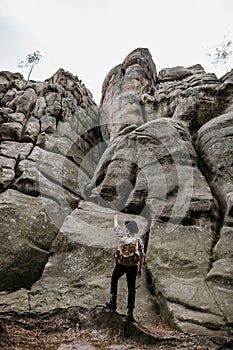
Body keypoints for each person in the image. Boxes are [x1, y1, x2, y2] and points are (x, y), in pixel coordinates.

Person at [106, 214, 145, 322]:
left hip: (121, 264)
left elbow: (116, 227)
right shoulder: (138, 240)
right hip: (132, 266)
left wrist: (115, 218)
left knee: (114, 279)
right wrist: (140, 269)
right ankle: (130, 313)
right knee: (131, 288)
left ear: (127, 229)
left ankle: (113, 301)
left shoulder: (123, 236)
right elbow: (142, 255)